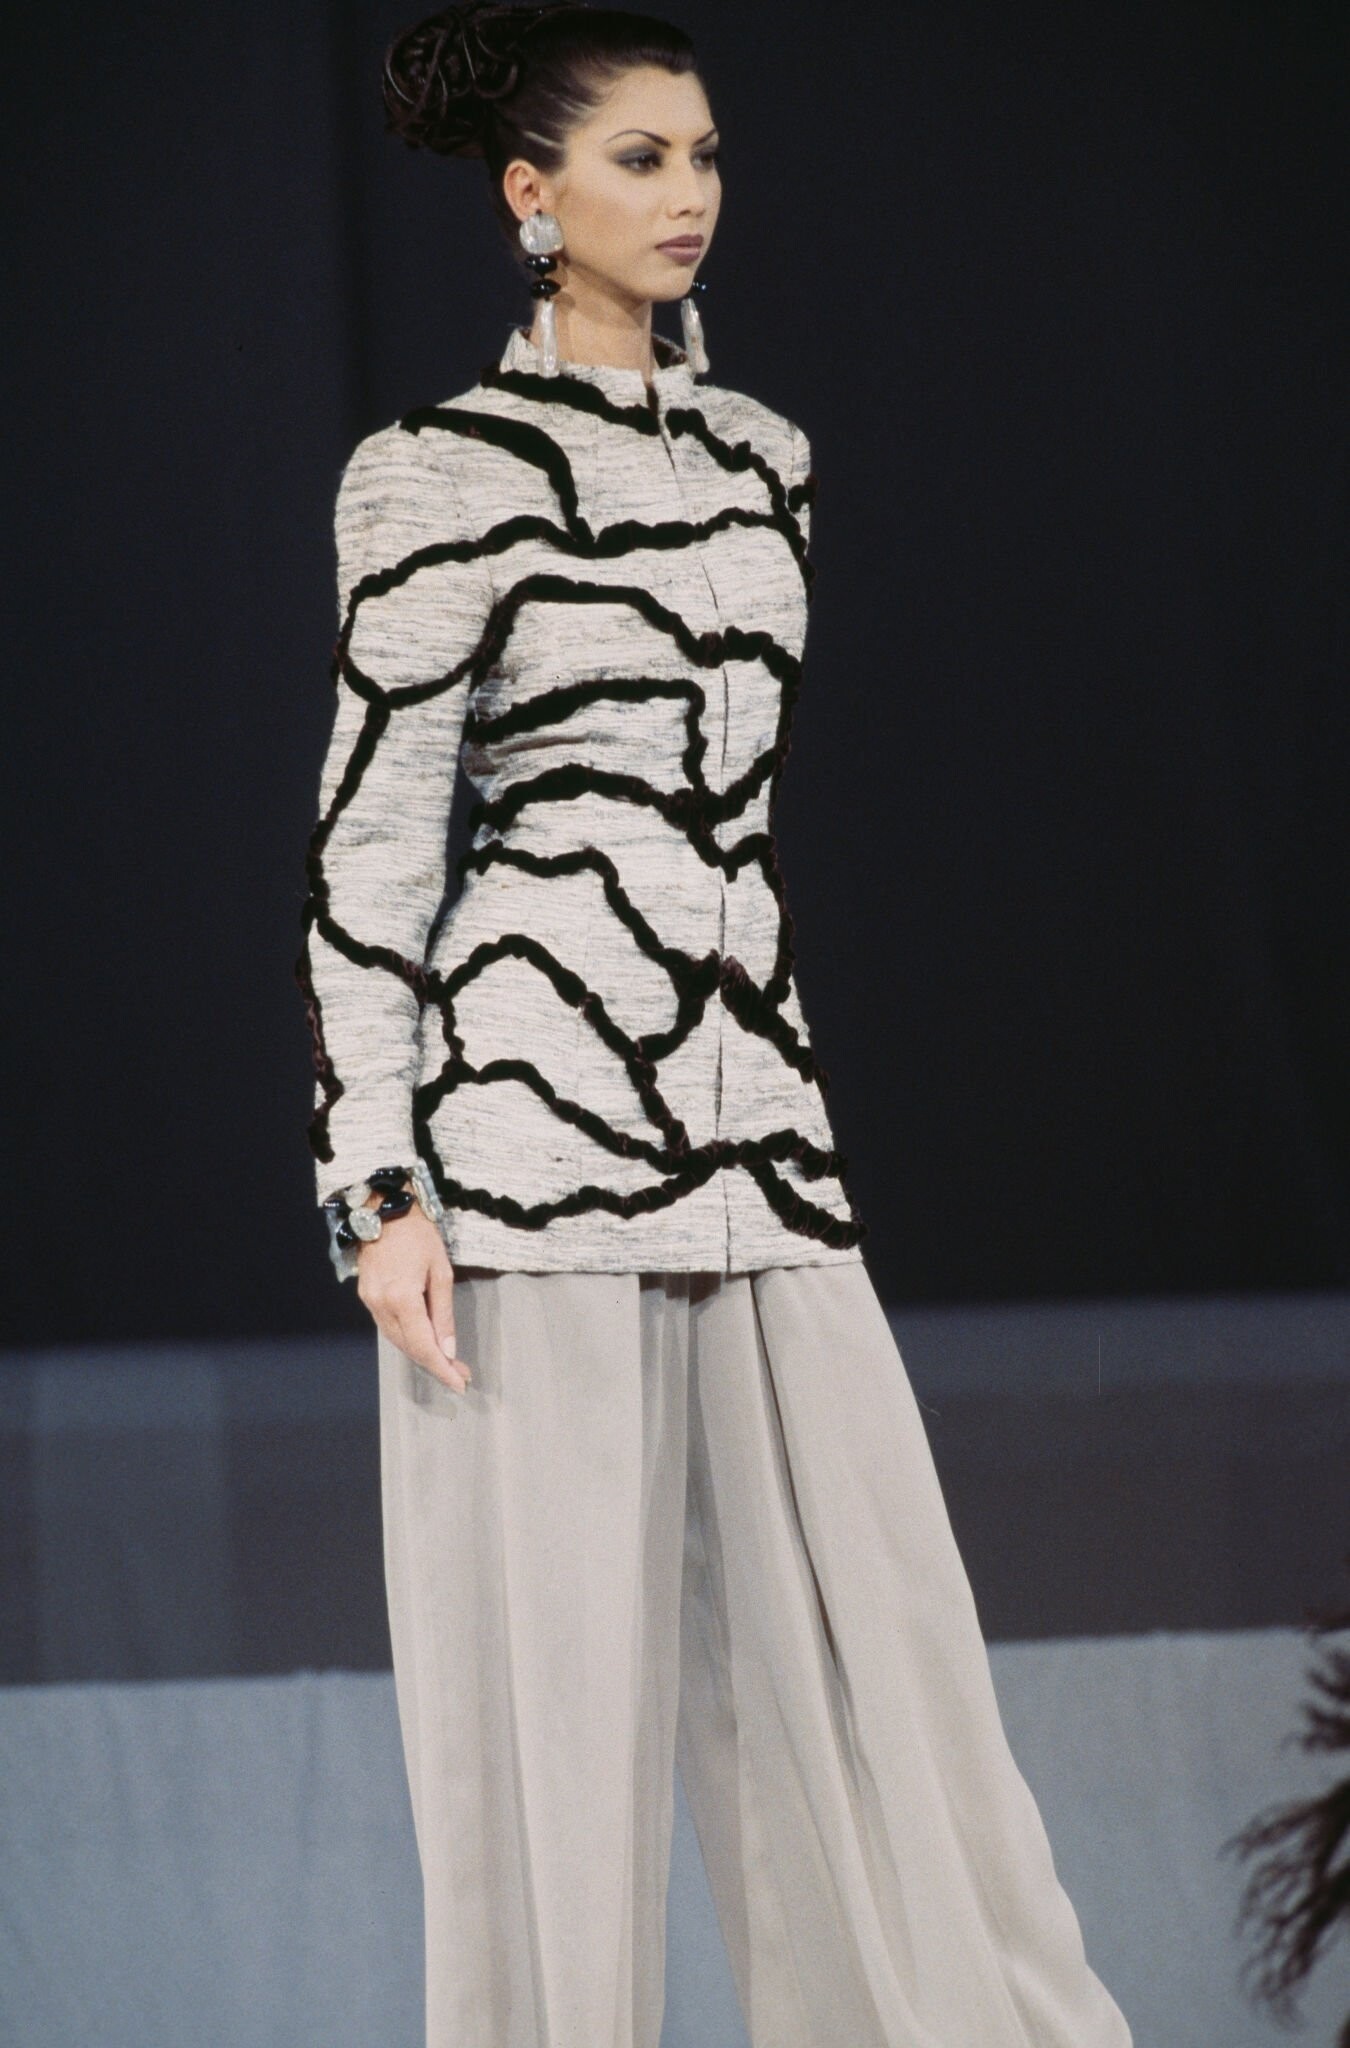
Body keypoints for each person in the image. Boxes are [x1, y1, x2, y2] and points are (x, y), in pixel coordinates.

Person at [294, 5, 1135, 2043]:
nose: (689, 196)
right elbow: (375, 839)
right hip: (529, 1151)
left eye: (706, 157)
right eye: (641, 158)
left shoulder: (769, 462)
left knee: (877, 1674)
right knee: (552, 1746)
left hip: (761, 1129)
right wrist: (375, 1184)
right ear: (530, 195)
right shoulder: (432, 472)